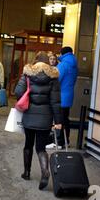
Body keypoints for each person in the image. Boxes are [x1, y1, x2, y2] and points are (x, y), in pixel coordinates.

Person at [15, 51, 63, 190]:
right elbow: (56, 102)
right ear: (47, 62)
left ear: (35, 61)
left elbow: (18, 92)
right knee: (41, 148)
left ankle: (27, 172)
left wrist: (25, 99)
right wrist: (58, 121)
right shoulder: (53, 77)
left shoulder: (28, 74)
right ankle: (45, 171)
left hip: (29, 116)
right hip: (46, 118)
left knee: (28, 145)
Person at [48, 47, 78, 149]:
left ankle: (59, 142)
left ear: (62, 53)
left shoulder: (63, 65)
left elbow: (56, 79)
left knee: (58, 120)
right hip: (69, 95)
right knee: (65, 119)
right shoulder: (74, 64)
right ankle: (66, 141)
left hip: (60, 96)